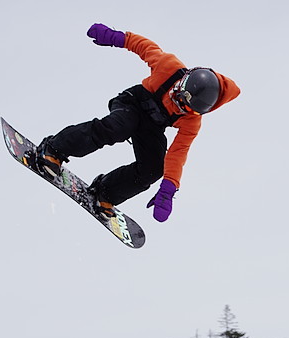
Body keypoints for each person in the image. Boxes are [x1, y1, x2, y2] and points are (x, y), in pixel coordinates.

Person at [29, 23, 241, 222]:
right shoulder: (170, 67)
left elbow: (177, 154)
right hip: (132, 103)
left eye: (185, 107)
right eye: (178, 97)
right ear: (183, 82)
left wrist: (169, 187)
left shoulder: (191, 121)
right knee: (117, 127)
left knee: (153, 168)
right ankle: (54, 149)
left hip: (151, 127)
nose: (177, 106)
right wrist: (115, 37)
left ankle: (106, 191)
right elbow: (144, 46)